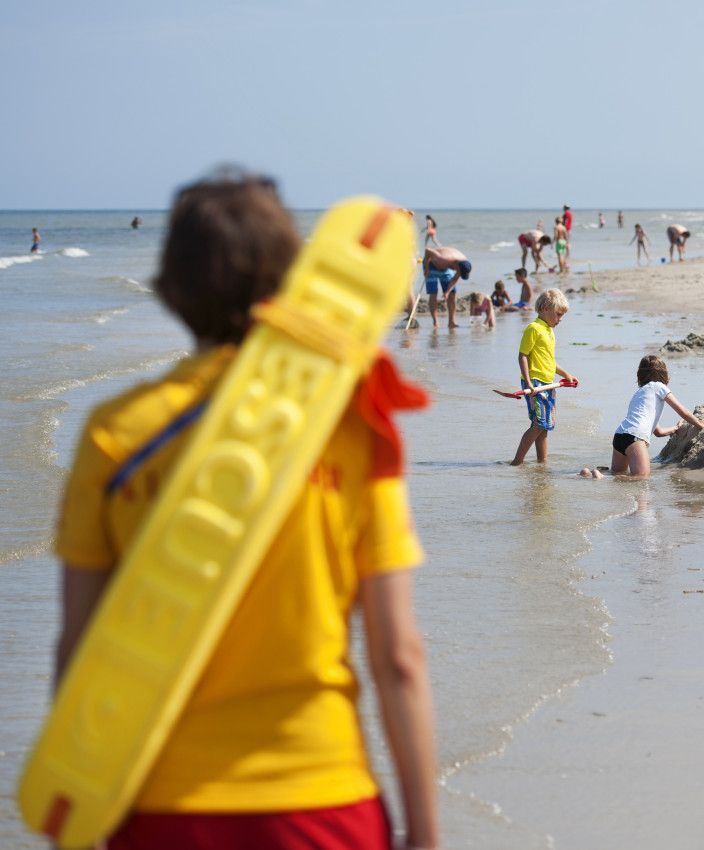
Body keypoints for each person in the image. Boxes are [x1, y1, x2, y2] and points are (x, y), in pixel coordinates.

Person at [52, 171, 440, 850]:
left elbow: (79, 647)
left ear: (169, 291)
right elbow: (398, 656)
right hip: (322, 803)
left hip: (157, 807)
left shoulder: (115, 434)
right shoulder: (352, 429)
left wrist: (73, 810)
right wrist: (426, 835)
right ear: (288, 282)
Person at [605, 355, 704, 477]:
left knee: (617, 477)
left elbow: (658, 432)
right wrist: (700, 424)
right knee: (641, 480)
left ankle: (593, 475)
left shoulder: (639, 393)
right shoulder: (659, 386)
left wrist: (674, 429)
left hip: (619, 435)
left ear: (640, 375)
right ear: (663, 373)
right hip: (635, 437)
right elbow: (681, 411)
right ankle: (595, 475)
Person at [510, 289, 576, 465]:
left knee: (545, 426)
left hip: (548, 384)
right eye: (558, 314)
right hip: (535, 382)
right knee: (538, 423)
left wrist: (566, 375)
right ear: (546, 308)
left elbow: (549, 361)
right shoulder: (534, 328)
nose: (560, 319)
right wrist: (529, 382)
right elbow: (523, 355)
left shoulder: (549, 331)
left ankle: (542, 463)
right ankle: (517, 462)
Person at [422, 246, 471, 330]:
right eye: (458, 271)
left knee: (452, 293)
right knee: (433, 293)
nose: (458, 273)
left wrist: (447, 291)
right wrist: (426, 268)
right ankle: (435, 322)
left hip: (446, 268)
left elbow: (455, 278)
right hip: (431, 265)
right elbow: (427, 250)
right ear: (457, 266)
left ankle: (451, 322)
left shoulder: (464, 263)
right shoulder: (443, 258)